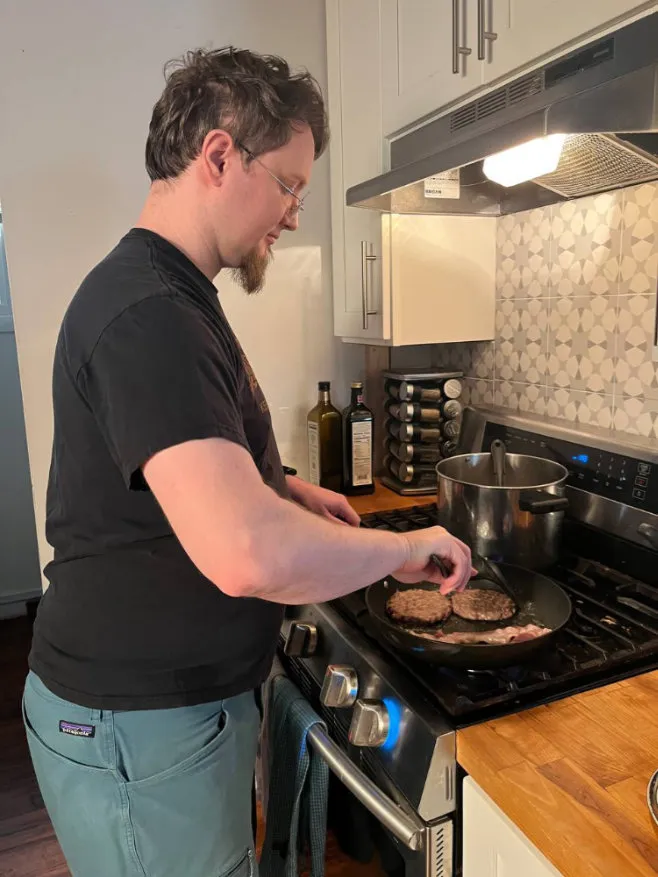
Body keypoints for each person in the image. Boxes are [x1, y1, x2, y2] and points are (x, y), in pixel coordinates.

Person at [22, 47, 473, 877]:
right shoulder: (150, 311)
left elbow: (183, 464)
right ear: (221, 155)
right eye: (291, 184)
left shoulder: (172, 292)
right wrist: (404, 551)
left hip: (162, 717)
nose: (296, 212)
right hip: (140, 725)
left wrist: (286, 487)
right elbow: (246, 551)